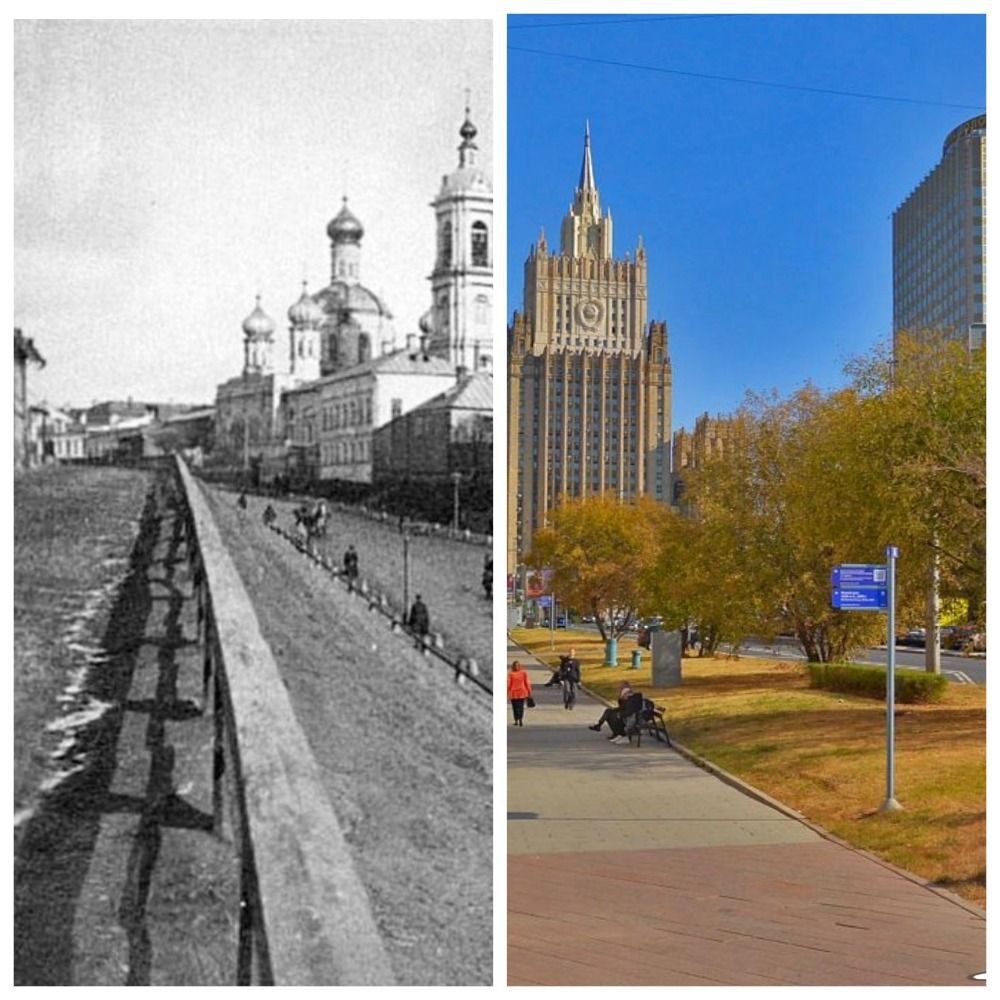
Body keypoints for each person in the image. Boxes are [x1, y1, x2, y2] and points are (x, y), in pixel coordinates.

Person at [507, 660, 533, 727]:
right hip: (521, 692)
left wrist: (507, 691)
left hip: (514, 692)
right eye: (516, 666)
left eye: (517, 666)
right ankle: (520, 719)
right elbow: (527, 683)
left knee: (515, 707)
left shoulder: (511, 674)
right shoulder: (523, 673)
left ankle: (516, 720)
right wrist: (529, 691)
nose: (516, 667)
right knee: (520, 707)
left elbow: (508, 684)